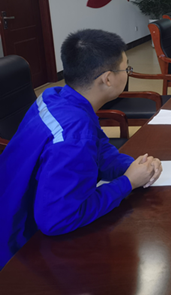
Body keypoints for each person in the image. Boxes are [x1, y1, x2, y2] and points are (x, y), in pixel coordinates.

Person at [0, 29, 162, 269]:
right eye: (126, 69)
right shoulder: (74, 134)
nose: (128, 73)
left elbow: (100, 149)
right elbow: (58, 219)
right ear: (108, 79)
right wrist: (127, 183)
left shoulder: (56, 96)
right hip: (19, 246)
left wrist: (133, 167)